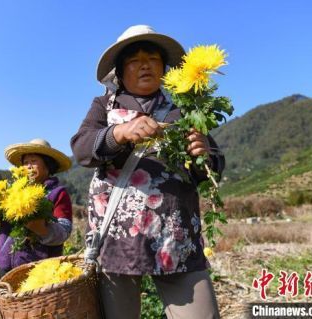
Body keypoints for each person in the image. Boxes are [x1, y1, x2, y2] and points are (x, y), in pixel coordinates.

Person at [70, 25, 224, 319]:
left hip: (177, 238)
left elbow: (210, 171)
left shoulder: (185, 107)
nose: (144, 64)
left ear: (165, 68)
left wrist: (205, 152)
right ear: (119, 71)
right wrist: (120, 133)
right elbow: (81, 148)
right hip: (117, 241)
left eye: (152, 58)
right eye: (134, 59)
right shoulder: (105, 105)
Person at [0, 138, 73, 276]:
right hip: (6, 265)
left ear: (48, 165)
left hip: (39, 270)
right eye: (25, 163)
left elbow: (65, 230)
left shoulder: (57, 194)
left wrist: (43, 230)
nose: (29, 166)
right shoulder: (12, 192)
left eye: (34, 161)